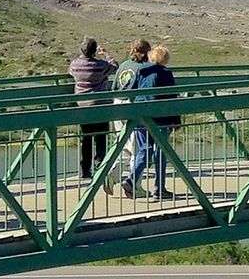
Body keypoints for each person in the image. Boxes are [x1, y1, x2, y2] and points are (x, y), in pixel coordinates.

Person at [128, 45, 179, 199]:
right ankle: (159, 189)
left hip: (141, 116)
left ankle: (131, 179)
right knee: (160, 152)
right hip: (160, 118)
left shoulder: (141, 71)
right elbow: (171, 98)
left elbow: (133, 91)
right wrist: (176, 120)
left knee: (145, 149)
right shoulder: (166, 73)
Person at [69, 38, 117, 189]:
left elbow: (70, 72)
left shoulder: (75, 64)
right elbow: (115, 67)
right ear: (95, 50)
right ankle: (100, 166)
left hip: (83, 107)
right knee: (101, 137)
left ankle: (85, 170)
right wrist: (107, 54)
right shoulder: (100, 65)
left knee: (86, 138)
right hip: (100, 106)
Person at [112, 39, 152, 187]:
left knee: (123, 144)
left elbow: (115, 86)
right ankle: (135, 185)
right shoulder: (144, 68)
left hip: (118, 103)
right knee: (137, 147)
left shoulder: (123, 65)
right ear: (145, 52)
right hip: (132, 105)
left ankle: (111, 174)